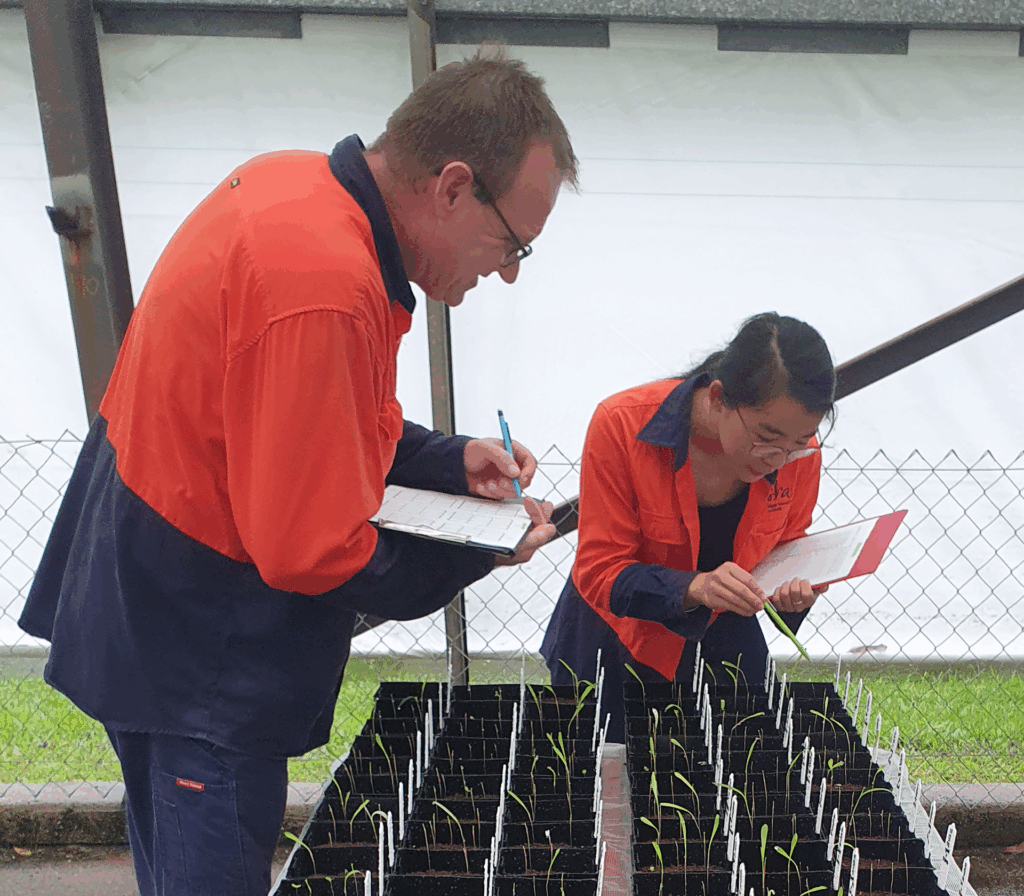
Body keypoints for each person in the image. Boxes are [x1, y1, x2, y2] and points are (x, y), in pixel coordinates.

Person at [19, 51, 577, 896]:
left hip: (155, 599)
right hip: (200, 648)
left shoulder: (298, 188)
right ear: (453, 187)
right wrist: (479, 549)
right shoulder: (324, 281)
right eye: (512, 243)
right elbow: (313, 551)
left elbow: (315, 417)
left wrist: (445, 457)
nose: (505, 271)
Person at [541, 313, 835, 742]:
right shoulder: (622, 424)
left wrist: (794, 590)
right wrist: (695, 587)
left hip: (724, 633)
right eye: (767, 437)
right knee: (605, 768)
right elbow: (599, 570)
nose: (779, 459)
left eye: (798, 442)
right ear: (717, 397)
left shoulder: (799, 452)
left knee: (745, 766)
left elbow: (786, 542)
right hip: (615, 637)